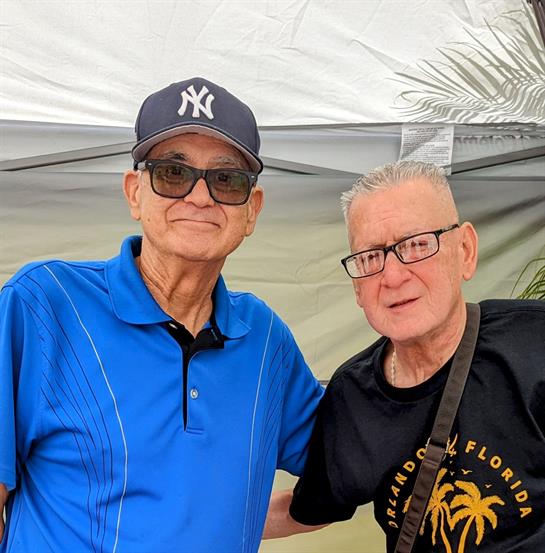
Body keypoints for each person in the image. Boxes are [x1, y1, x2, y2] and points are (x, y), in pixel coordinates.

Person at [0, 77, 323, 553]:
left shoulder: (265, 338)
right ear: (134, 193)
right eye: (172, 173)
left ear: (252, 211)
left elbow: (342, 468)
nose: (200, 197)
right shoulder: (44, 305)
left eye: (226, 180)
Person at [264, 161, 545, 552]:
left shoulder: (534, 343)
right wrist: (187, 520)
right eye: (370, 256)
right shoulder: (352, 396)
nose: (392, 277)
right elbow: (312, 507)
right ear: (357, 288)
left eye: (416, 245)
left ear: (464, 251)